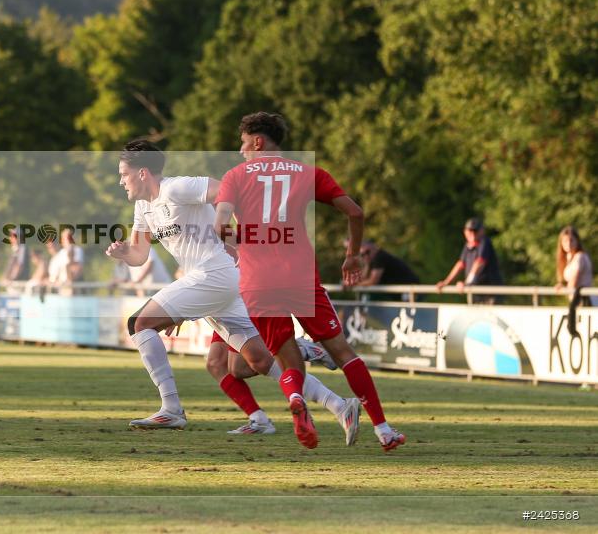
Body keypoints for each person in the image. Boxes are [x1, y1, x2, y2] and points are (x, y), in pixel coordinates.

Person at [214, 111, 405, 452]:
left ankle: (297, 398)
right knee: (344, 354)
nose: (242, 151)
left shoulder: (234, 176)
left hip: (258, 282)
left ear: (258, 141)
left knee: (287, 361)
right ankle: (384, 430)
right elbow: (356, 213)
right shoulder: (307, 172)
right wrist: (353, 255)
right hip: (301, 277)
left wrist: (240, 242)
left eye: (244, 144)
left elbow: (220, 224)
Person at [107, 140, 318, 448]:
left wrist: (237, 233)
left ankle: (172, 409)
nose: (120, 181)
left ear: (142, 173)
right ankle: (337, 402)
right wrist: (125, 252)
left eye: (123, 174)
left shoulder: (177, 188)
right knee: (253, 360)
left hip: (215, 274)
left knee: (140, 324)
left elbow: (224, 191)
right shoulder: (142, 207)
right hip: (208, 279)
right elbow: (139, 255)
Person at [205, 331, 360, 444]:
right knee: (216, 363)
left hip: (230, 299)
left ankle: (299, 350)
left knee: (246, 366)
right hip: (219, 305)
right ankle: (259, 420)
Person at [436, 218, 503, 304]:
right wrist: (446, 282)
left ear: (481, 231)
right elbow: (460, 264)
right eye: (470, 231)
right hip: (476, 293)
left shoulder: (485, 242)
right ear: (465, 232)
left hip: (490, 293)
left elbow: (479, 263)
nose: (473, 234)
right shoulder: (468, 245)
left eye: (475, 231)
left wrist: (467, 283)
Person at [353, 240, 420, 301]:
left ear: (374, 247)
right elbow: (364, 277)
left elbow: (373, 280)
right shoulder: (372, 260)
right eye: (362, 255)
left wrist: (355, 285)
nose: (366, 256)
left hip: (408, 290)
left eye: (367, 252)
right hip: (401, 292)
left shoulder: (379, 257)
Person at [555, 226, 596, 306]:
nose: (568, 244)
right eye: (565, 241)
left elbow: (574, 282)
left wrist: (564, 289)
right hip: (577, 301)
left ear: (577, 241)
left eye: (571, 240)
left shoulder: (580, 257)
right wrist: (562, 285)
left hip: (586, 301)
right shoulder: (569, 257)